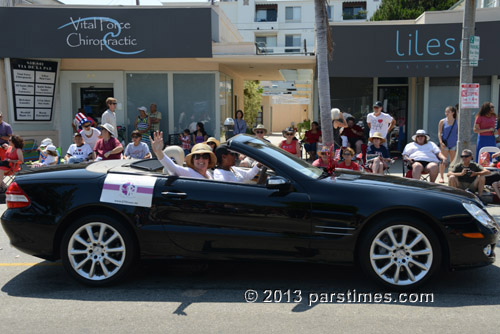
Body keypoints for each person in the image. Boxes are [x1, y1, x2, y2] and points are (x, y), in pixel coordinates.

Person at [150, 131, 215, 179]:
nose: (201, 160)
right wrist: (158, 152)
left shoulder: (209, 174)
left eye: (205, 156)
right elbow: (173, 168)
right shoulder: (188, 172)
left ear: (209, 160)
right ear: (192, 160)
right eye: (197, 156)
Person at [437, 105, 458, 183]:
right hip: (444, 144)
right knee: (443, 160)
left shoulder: (457, 121)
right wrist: (440, 142)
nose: (446, 113)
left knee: (452, 161)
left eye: (448, 112)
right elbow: (439, 132)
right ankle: (441, 177)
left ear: (453, 112)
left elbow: (458, 133)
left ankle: (451, 175)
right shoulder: (442, 121)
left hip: (453, 143)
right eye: (446, 112)